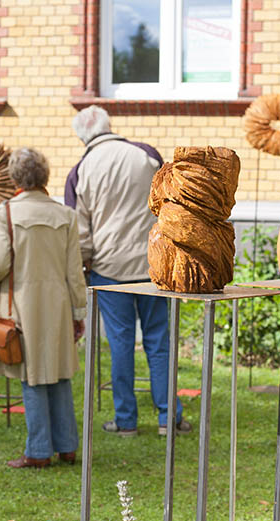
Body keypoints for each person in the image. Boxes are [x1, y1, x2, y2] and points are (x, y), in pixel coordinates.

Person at [65, 105, 191, 437]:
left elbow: (79, 229)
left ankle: (125, 421)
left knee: (120, 342)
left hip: (108, 269)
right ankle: (168, 417)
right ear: (109, 125)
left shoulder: (81, 170)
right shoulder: (146, 155)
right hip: (152, 264)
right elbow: (168, 201)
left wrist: (84, 262)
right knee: (158, 341)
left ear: (82, 137)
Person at [0, 147, 87, 469]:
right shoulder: (65, 215)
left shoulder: (6, 213)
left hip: (21, 303)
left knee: (31, 375)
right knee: (58, 372)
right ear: (45, 175)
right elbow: (75, 270)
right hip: (58, 304)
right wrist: (79, 311)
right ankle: (67, 446)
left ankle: (38, 451)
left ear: (15, 177)